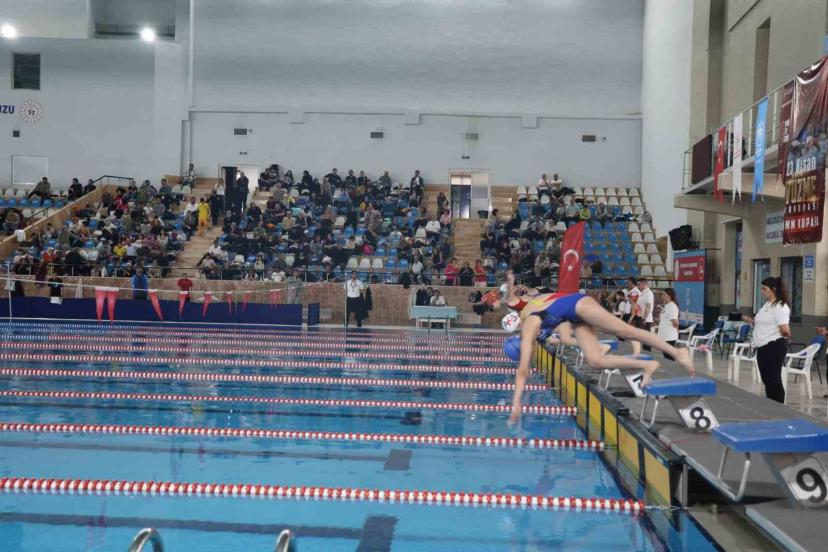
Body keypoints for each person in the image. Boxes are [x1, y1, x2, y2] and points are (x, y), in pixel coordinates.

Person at [501, 281, 694, 425]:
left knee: (625, 331)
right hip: (571, 314)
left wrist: (516, 402)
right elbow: (548, 301)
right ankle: (647, 364)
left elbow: (522, 371)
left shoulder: (530, 326)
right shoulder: (528, 315)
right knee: (595, 360)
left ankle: (677, 352)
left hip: (579, 305)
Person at [744, 277, 791, 403]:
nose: (762, 291)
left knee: (773, 379)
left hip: (773, 346)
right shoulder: (767, 305)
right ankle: (771, 403)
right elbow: (766, 323)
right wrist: (751, 321)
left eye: (764, 289)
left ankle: (778, 406)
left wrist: (785, 335)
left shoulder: (780, 306)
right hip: (762, 346)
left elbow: (785, 330)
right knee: (766, 379)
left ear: (773, 289)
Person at [633, 277, 655, 351]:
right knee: (642, 339)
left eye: (639, 284)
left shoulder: (648, 293)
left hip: (646, 319)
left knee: (646, 340)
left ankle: (648, 354)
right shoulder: (642, 293)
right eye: (637, 285)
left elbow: (648, 307)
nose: (638, 286)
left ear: (644, 284)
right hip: (641, 318)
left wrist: (644, 319)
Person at [657, 288, 680, 360]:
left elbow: (675, 322)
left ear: (669, 296)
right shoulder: (667, 305)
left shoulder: (672, 306)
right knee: (667, 357)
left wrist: (675, 331)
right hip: (665, 336)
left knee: (669, 358)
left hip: (669, 336)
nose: (662, 296)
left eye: (664, 294)